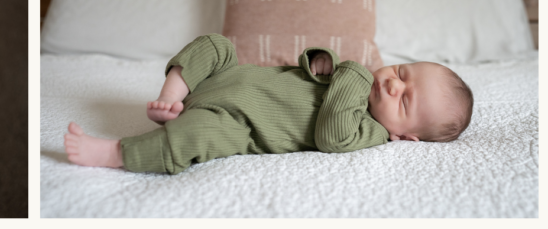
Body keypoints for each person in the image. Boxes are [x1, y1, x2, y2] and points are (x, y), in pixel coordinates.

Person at [64, 34, 473, 174]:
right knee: (215, 45)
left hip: (234, 119)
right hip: (224, 77)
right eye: (401, 73)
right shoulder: (354, 81)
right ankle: (170, 98)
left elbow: (331, 135)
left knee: (199, 135)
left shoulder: (370, 132)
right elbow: (303, 74)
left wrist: (351, 74)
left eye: (405, 101)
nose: (392, 85)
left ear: (406, 136)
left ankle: (117, 152)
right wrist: (320, 62)